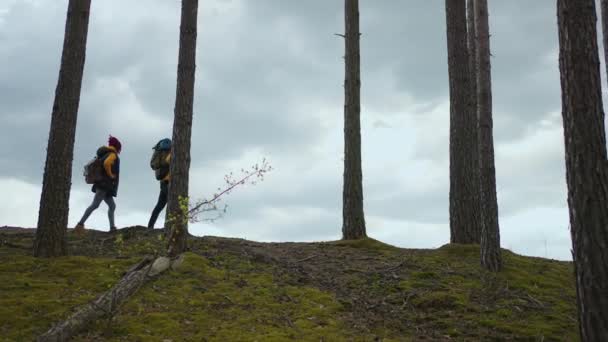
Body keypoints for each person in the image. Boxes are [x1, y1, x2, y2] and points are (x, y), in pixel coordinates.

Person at [75, 135, 121, 234]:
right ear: (117, 147)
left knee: (112, 206)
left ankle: (112, 227)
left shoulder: (104, 153)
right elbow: (107, 164)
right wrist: (111, 174)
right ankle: (80, 224)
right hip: (104, 184)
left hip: (104, 185)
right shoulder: (112, 155)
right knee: (95, 205)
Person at [147, 139, 171, 229]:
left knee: (160, 205)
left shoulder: (164, 151)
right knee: (171, 203)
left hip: (164, 181)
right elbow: (158, 164)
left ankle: (150, 226)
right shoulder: (168, 152)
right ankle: (169, 226)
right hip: (167, 181)